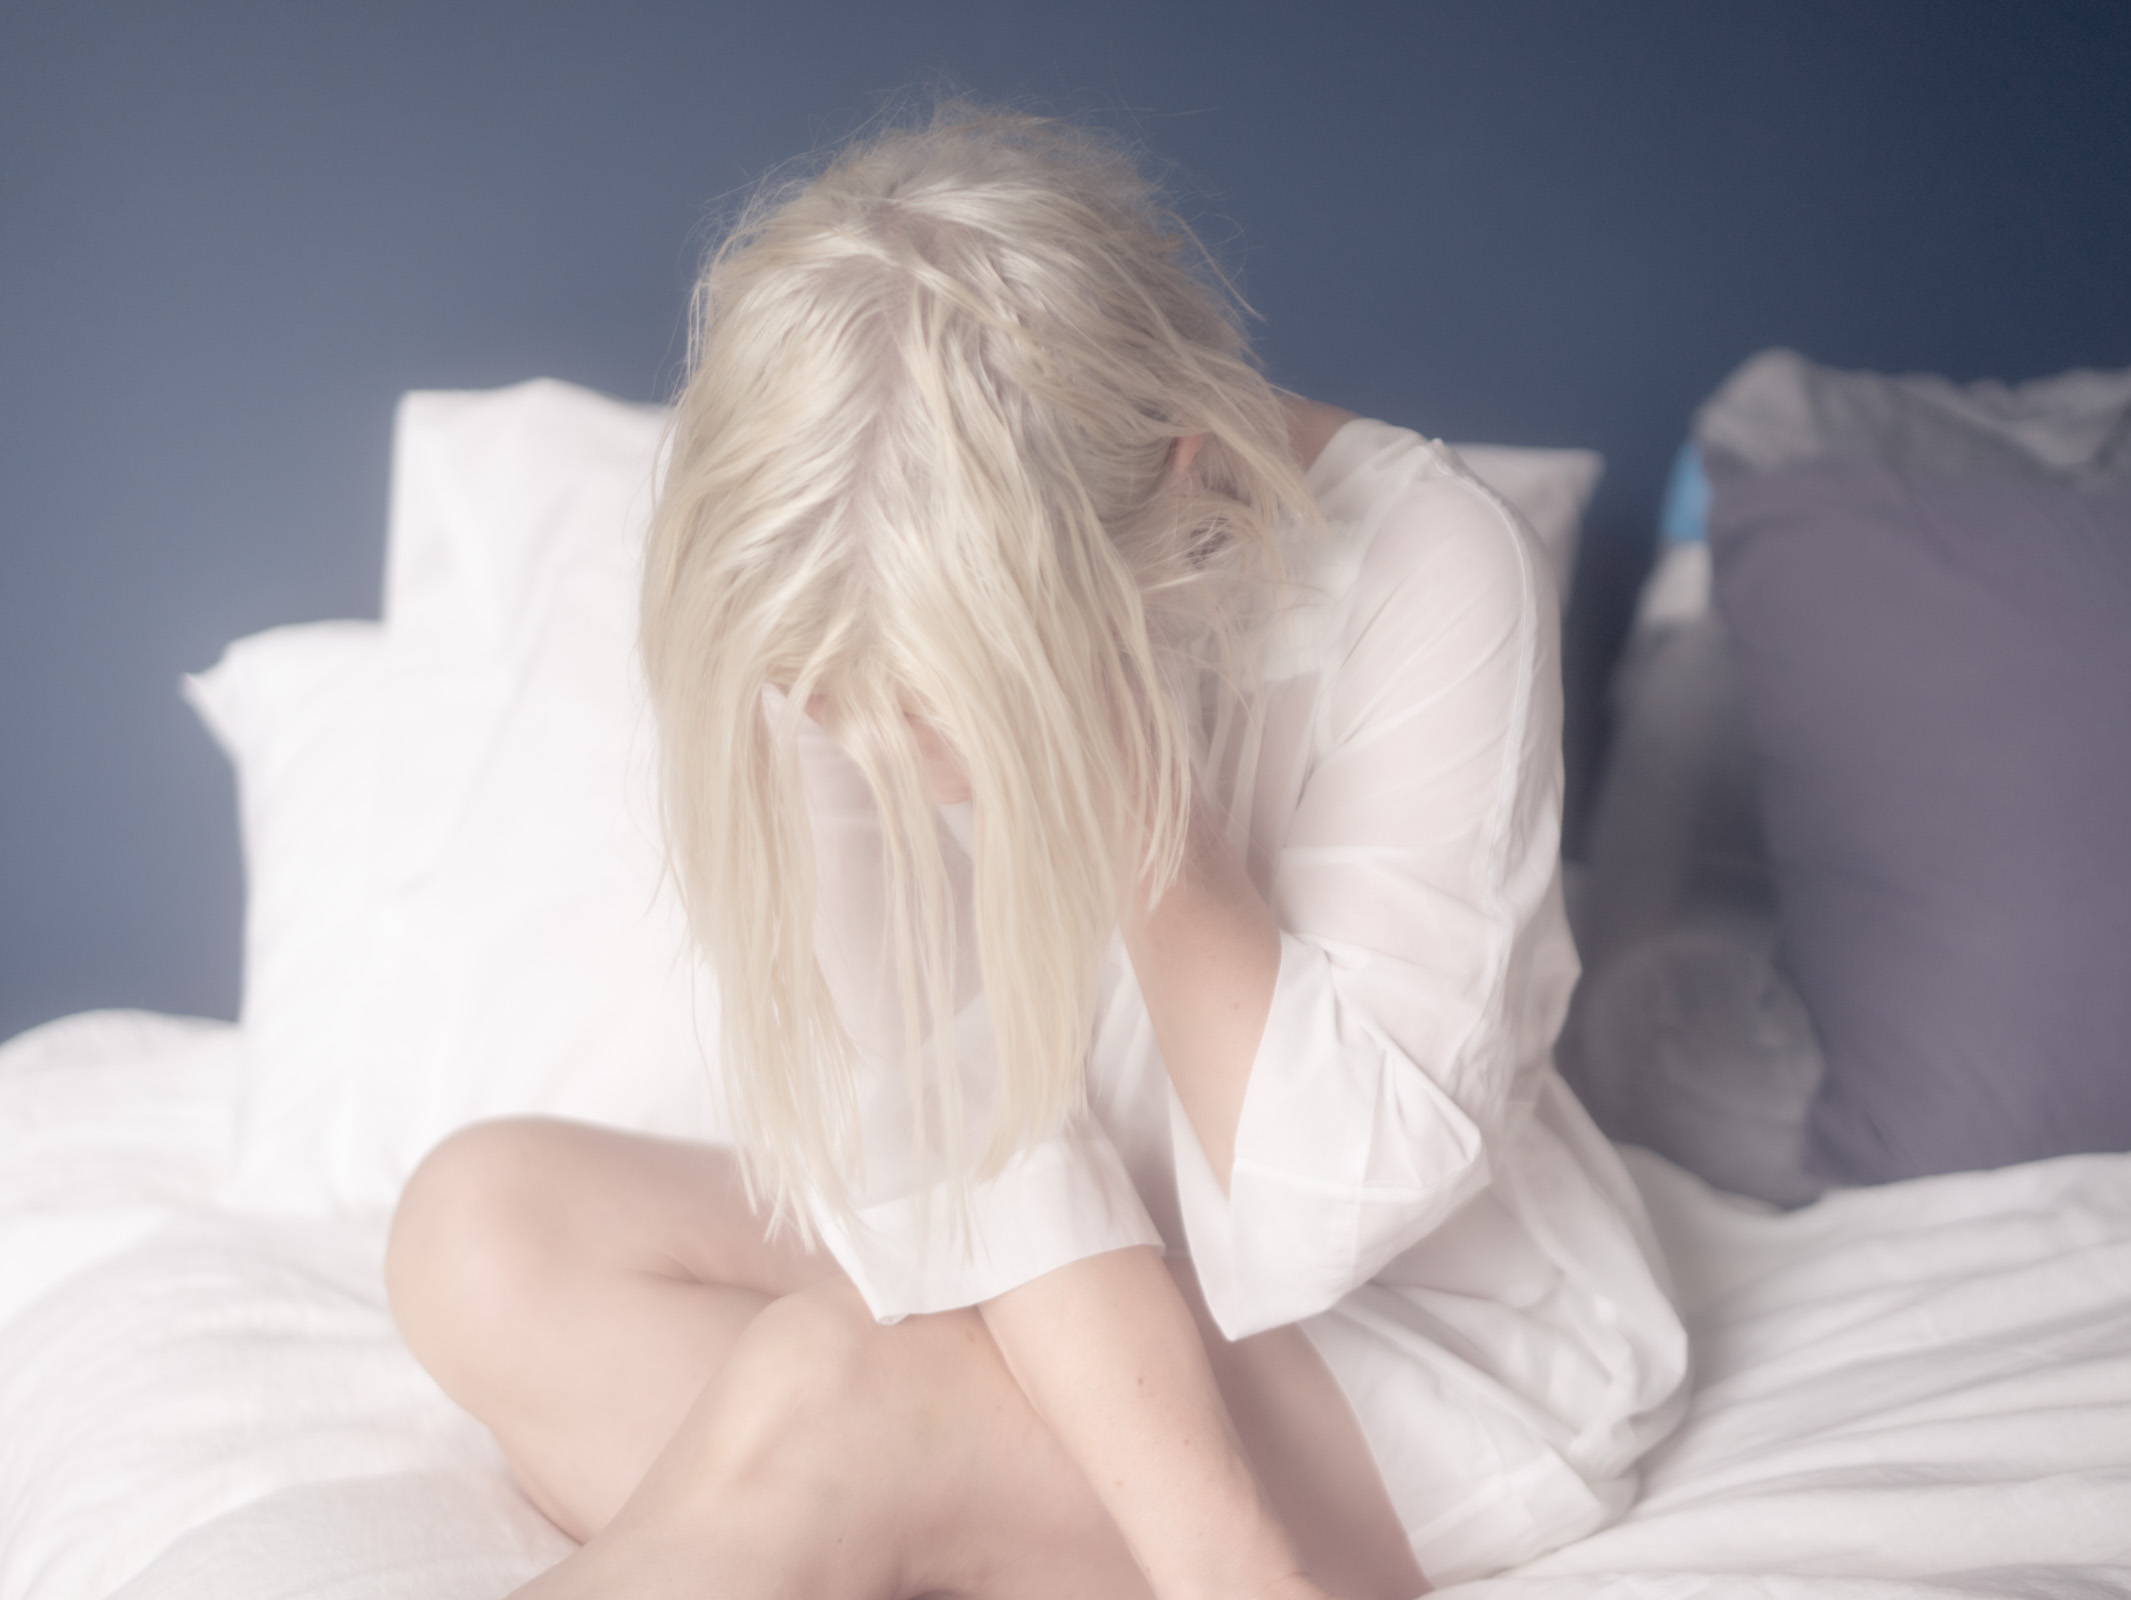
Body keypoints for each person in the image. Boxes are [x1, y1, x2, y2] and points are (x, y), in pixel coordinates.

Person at [383, 107, 1686, 1600]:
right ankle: (864, 1514)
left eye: (948, 701)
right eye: (836, 698)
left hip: (1397, 1335)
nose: (884, 749)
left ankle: (851, 1499)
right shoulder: (825, 572)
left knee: (829, 1390)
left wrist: (1135, 802)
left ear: (1178, 478)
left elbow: (1331, 1210)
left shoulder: (1437, 564)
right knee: (480, 1226)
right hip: (1050, 1277)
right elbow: (957, 1137)